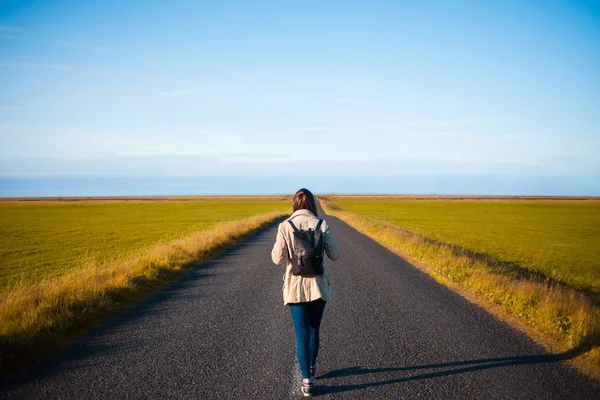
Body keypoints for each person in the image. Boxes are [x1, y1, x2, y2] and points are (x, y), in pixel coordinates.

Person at [271, 188, 340, 397]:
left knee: (301, 333)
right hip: (318, 285)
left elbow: (277, 258)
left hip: (295, 286)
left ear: (294, 204)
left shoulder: (285, 226)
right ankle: (311, 367)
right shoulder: (322, 224)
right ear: (312, 204)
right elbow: (335, 255)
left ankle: (307, 381)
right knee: (314, 330)